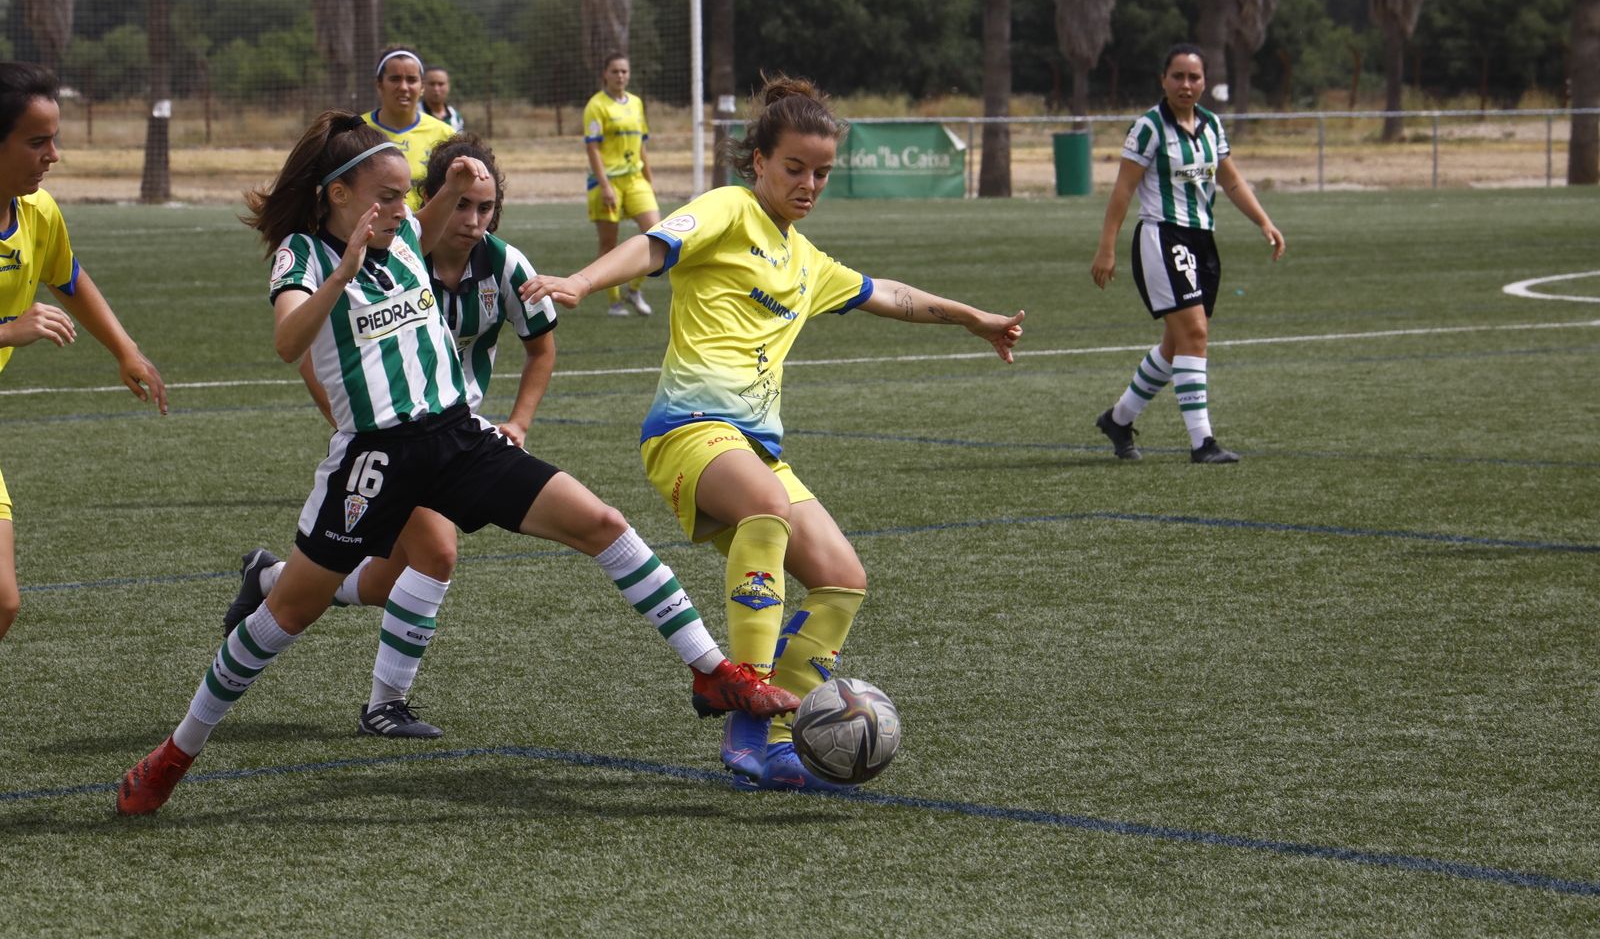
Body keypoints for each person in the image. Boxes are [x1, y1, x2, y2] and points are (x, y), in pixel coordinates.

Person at [115, 112, 798, 816]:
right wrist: (344, 269)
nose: (399, 208)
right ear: (336, 196)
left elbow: (442, 210)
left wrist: (464, 179)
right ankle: (175, 753)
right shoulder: (304, 254)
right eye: (383, 196)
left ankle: (712, 671)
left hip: (459, 436)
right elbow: (289, 341)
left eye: (404, 194)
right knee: (289, 612)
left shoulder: (409, 228)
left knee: (602, 522)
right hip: (373, 458)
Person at [522, 76, 1025, 791]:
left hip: (755, 450)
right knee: (767, 508)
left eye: (822, 172)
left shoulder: (806, 261)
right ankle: (743, 684)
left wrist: (973, 316)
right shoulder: (728, 211)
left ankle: (765, 740)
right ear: (757, 161)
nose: (809, 184)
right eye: (795, 168)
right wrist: (581, 281)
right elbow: (654, 248)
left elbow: (892, 295)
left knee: (843, 581)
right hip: (688, 432)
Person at [223, 133, 558, 740]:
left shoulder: (498, 262)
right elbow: (301, 347)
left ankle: (270, 579)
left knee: (385, 580)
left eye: (485, 208)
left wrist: (518, 423)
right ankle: (384, 705)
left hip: (457, 434)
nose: (472, 219)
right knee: (437, 554)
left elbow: (542, 347)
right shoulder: (380, 247)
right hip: (391, 436)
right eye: (459, 204)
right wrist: (357, 425)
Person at [0, 62, 167, 644]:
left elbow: (68, 278)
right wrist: (6, 331)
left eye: (55, 139)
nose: (54, 155)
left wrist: (126, 349)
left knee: (3, 602)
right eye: (37, 141)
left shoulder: (35, 212)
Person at [1089, 43, 1285, 464]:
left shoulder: (1212, 125)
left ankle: (1118, 419)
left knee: (1177, 344)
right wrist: (1107, 248)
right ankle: (1203, 443)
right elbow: (1123, 190)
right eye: (1177, 76)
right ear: (1163, 80)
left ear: (1205, 83)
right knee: (1195, 333)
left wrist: (1264, 221)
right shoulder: (1148, 128)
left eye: (1194, 77)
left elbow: (1231, 182)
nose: (1186, 84)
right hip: (1162, 237)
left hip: (1202, 241)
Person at [583, 53, 657, 318]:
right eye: (615, 71)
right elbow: (593, 148)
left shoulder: (636, 103)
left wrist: (649, 179)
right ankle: (614, 301)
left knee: (659, 234)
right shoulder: (596, 105)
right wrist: (604, 185)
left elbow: (642, 146)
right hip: (608, 181)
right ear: (605, 74)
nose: (620, 76)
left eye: (624, 71)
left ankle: (634, 289)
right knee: (608, 244)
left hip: (635, 179)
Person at [365, 45, 454, 209]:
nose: (404, 87)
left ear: (422, 87)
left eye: (411, 80)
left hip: (427, 233)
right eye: (395, 79)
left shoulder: (445, 135)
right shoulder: (358, 131)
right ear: (379, 84)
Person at [421, 66, 466, 133]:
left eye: (441, 84)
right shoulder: (414, 114)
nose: (436, 89)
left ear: (448, 86)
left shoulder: (456, 117)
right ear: (422, 85)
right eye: (432, 84)